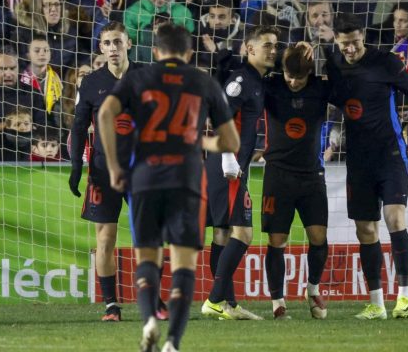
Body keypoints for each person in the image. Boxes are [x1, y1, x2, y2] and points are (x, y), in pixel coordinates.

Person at [97, 22, 239, 352]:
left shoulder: (138, 77)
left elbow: (105, 114)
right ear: (189, 53)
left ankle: (148, 322)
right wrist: (194, 138)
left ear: (156, 51)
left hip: (144, 178)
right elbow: (230, 140)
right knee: (183, 264)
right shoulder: (202, 80)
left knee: (147, 256)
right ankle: (173, 342)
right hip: (186, 180)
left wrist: (116, 167)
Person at [325, 13, 408, 320]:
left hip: (390, 154)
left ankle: (404, 296)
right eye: (344, 44)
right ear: (337, 41)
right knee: (365, 230)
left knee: (394, 219)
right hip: (358, 160)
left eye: (354, 42)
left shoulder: (386, 63)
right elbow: (332, 101)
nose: (350, 49)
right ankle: (376, 303)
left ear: (363, 36)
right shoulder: (333, 64)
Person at [68, 21, 151, 322]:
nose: (113, 48)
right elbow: (78, 128)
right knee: (105, 238)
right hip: (103, 170)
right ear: (100, 48)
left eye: (118, 42)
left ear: (129, 44)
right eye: (107, 43)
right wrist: (76, 164)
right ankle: (111, 305)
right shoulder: (90, 83)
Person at [201, 25, 280, 322]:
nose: (273, 50)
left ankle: (228, 304)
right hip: (227, 166)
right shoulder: (241, 81)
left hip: (232, 165)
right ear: (249, 49)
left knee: (222, 233)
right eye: (267, 45)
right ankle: (214, 300)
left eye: (275, 46)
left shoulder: (256, 80)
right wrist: (227, 158)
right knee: (243, 233)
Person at [262, 44, 330, 320]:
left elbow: (338, 73)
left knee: (318, 237)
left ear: (309, 74)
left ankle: (312, 289)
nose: (292, 81)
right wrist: (285, 57)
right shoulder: (273, 85)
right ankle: (278, 302)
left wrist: (322, 47)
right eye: (289, 75)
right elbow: (260, 63)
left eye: (298, 78)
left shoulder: (320, 88)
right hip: (278, 174)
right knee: (277, 239)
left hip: (311, 174)